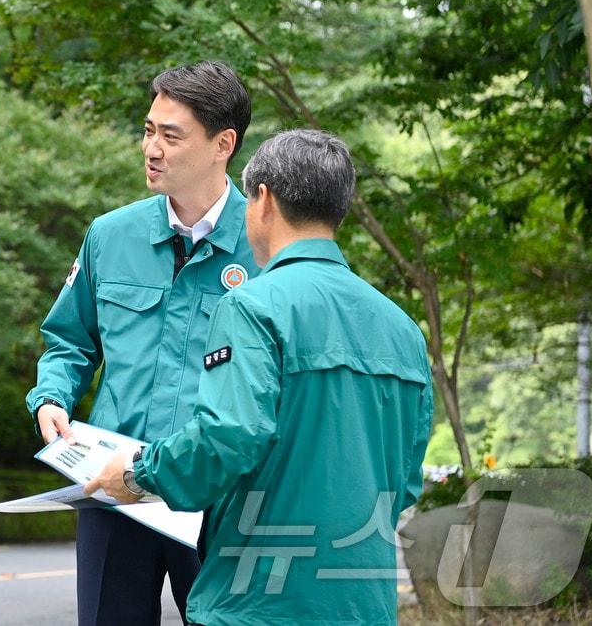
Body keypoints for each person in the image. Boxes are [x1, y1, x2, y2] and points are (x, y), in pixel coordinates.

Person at [86, 129, 434, 625]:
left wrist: (136, 473)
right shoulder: (402, 329)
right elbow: (405, 482)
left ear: (263, 200)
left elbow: (226, 437)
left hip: (258, 601)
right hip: (361, 604)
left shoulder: (253, 306)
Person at [26, 60, 259, 625]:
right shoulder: (111, 235)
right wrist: (51, 397)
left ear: (222, 144)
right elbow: (69, 341)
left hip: (216, 495)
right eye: (149, 130)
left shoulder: (263, 243)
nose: (151, 148)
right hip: (111, 488)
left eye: (170, 135)